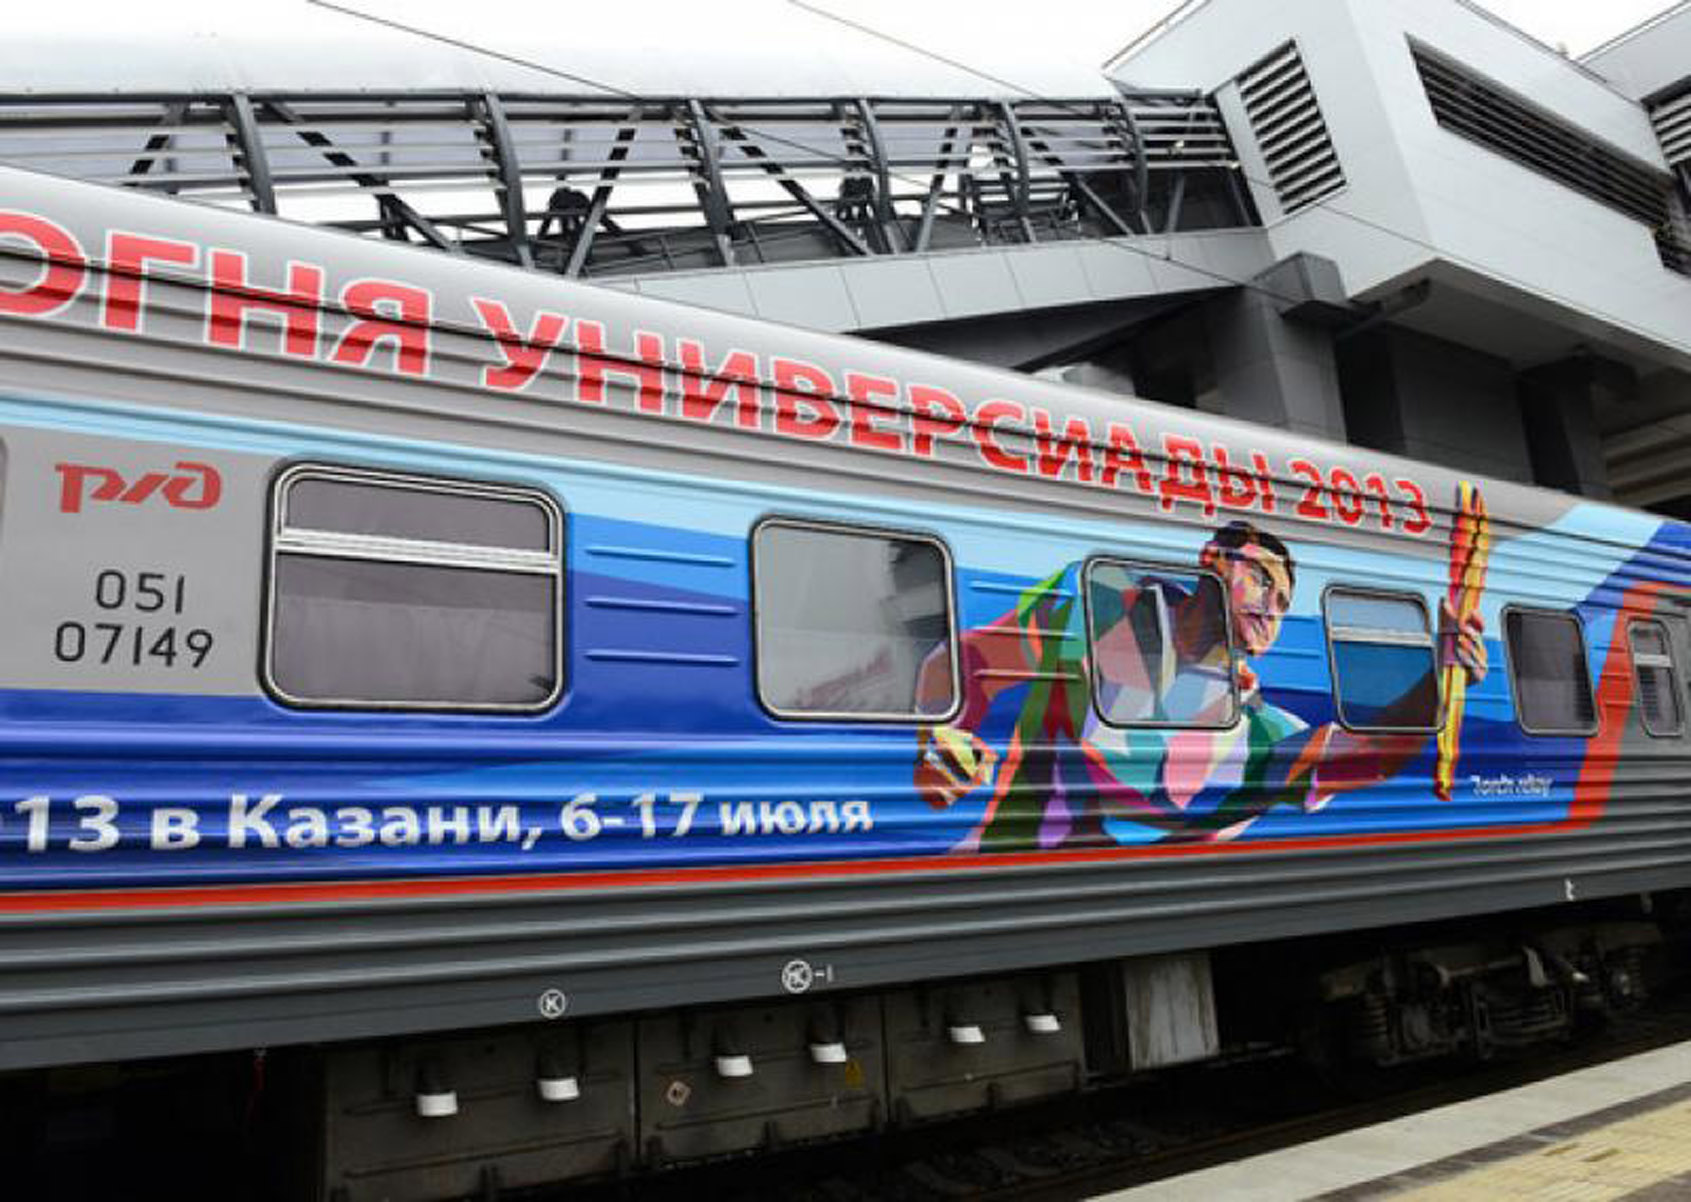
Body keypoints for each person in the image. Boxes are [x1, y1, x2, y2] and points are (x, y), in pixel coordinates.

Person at [914, 521, 1487, 851]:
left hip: (1129, 916)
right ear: (1211, 560)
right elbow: (965, 662)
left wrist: (1436, 682)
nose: (1271, 606)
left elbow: (1370, 752)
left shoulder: (1260, 734)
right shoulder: (1102, 604)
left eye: (1284, 602)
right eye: (1260, 579)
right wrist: (941, 735)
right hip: (998, 866)